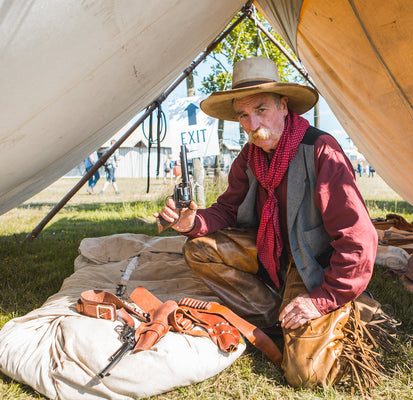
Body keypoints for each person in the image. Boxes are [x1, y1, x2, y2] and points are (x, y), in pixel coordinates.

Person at [154, 57, 378, 388]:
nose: (251, 122)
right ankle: (278, 316)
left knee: (307, 375)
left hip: (311, 265)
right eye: (243, 115)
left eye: (261, 109)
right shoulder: (249, 157)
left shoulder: (321, 151)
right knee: (198, 248)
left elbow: (359, 238)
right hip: (268, 252)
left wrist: (322, 299)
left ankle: (333, 309)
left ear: (284, 106)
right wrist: (191, 222)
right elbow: (228, 209)